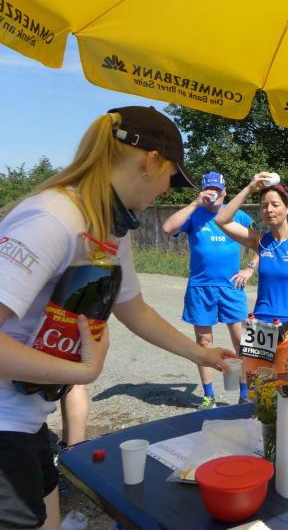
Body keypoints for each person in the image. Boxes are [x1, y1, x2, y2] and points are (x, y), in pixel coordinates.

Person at [0, 106, 236, 530]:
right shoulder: (52, 218)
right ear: (150, 162)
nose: (167, 189)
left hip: (26, 419)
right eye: (172, 176)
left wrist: (204, 355)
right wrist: (84, 371)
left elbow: (136, 311)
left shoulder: (108, 227)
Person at [214, 173, 288, 379]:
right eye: (264, 206)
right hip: (259, 327)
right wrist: (249, 188)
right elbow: (221, 220)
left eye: (275, 204)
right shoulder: (260, 241)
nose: (269, 209)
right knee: (257, 389)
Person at [163, 172, 259, 408]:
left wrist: (249, 269)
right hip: (200, 288)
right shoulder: (194, 214)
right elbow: (167, 228)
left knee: (240, 341)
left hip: (231, 287)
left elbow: (263, 242)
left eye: (217, 189)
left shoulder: (237, 215)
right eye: (209, 189)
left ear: (225, 192)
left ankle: (244, 393)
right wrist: (195, 203)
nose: (213, 193)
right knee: (204, 342)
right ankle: (208, 395)